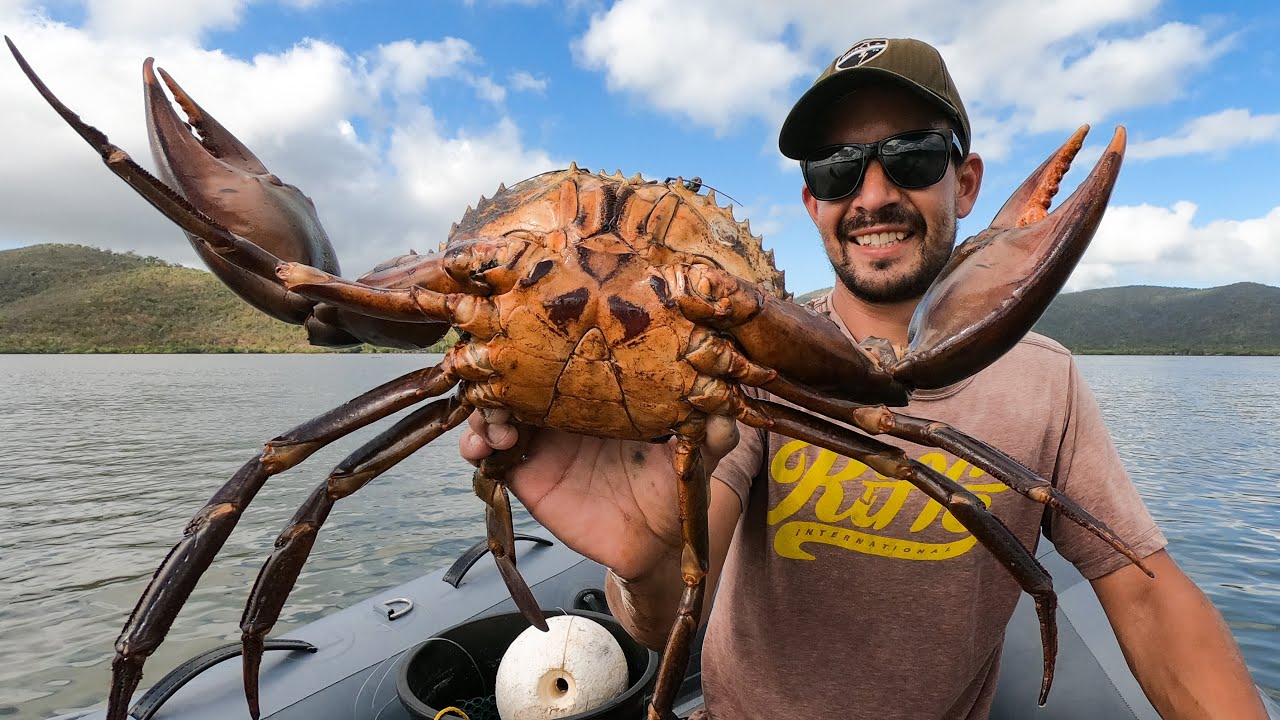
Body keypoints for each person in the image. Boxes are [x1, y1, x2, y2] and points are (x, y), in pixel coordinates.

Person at [461, 37, 1267, 720]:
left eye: (911, 156)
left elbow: (1148, 594)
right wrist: (644, 560)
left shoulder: (1045, 381)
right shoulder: (749, 361)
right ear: (812, 201)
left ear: (968, 180)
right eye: (840, 168)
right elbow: (667, 604)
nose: (874, 194)